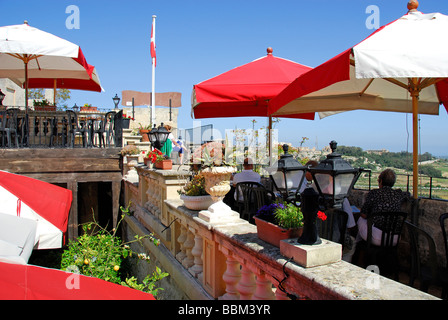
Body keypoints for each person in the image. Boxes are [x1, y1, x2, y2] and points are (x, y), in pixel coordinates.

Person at [356, 168, 409, 246]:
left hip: (377, 238)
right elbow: (408, 194)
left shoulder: (374, 193)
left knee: (361, 219)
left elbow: (363, 214)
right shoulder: (398, 194)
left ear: (381, 181)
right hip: (395, 239)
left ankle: (356, 248)